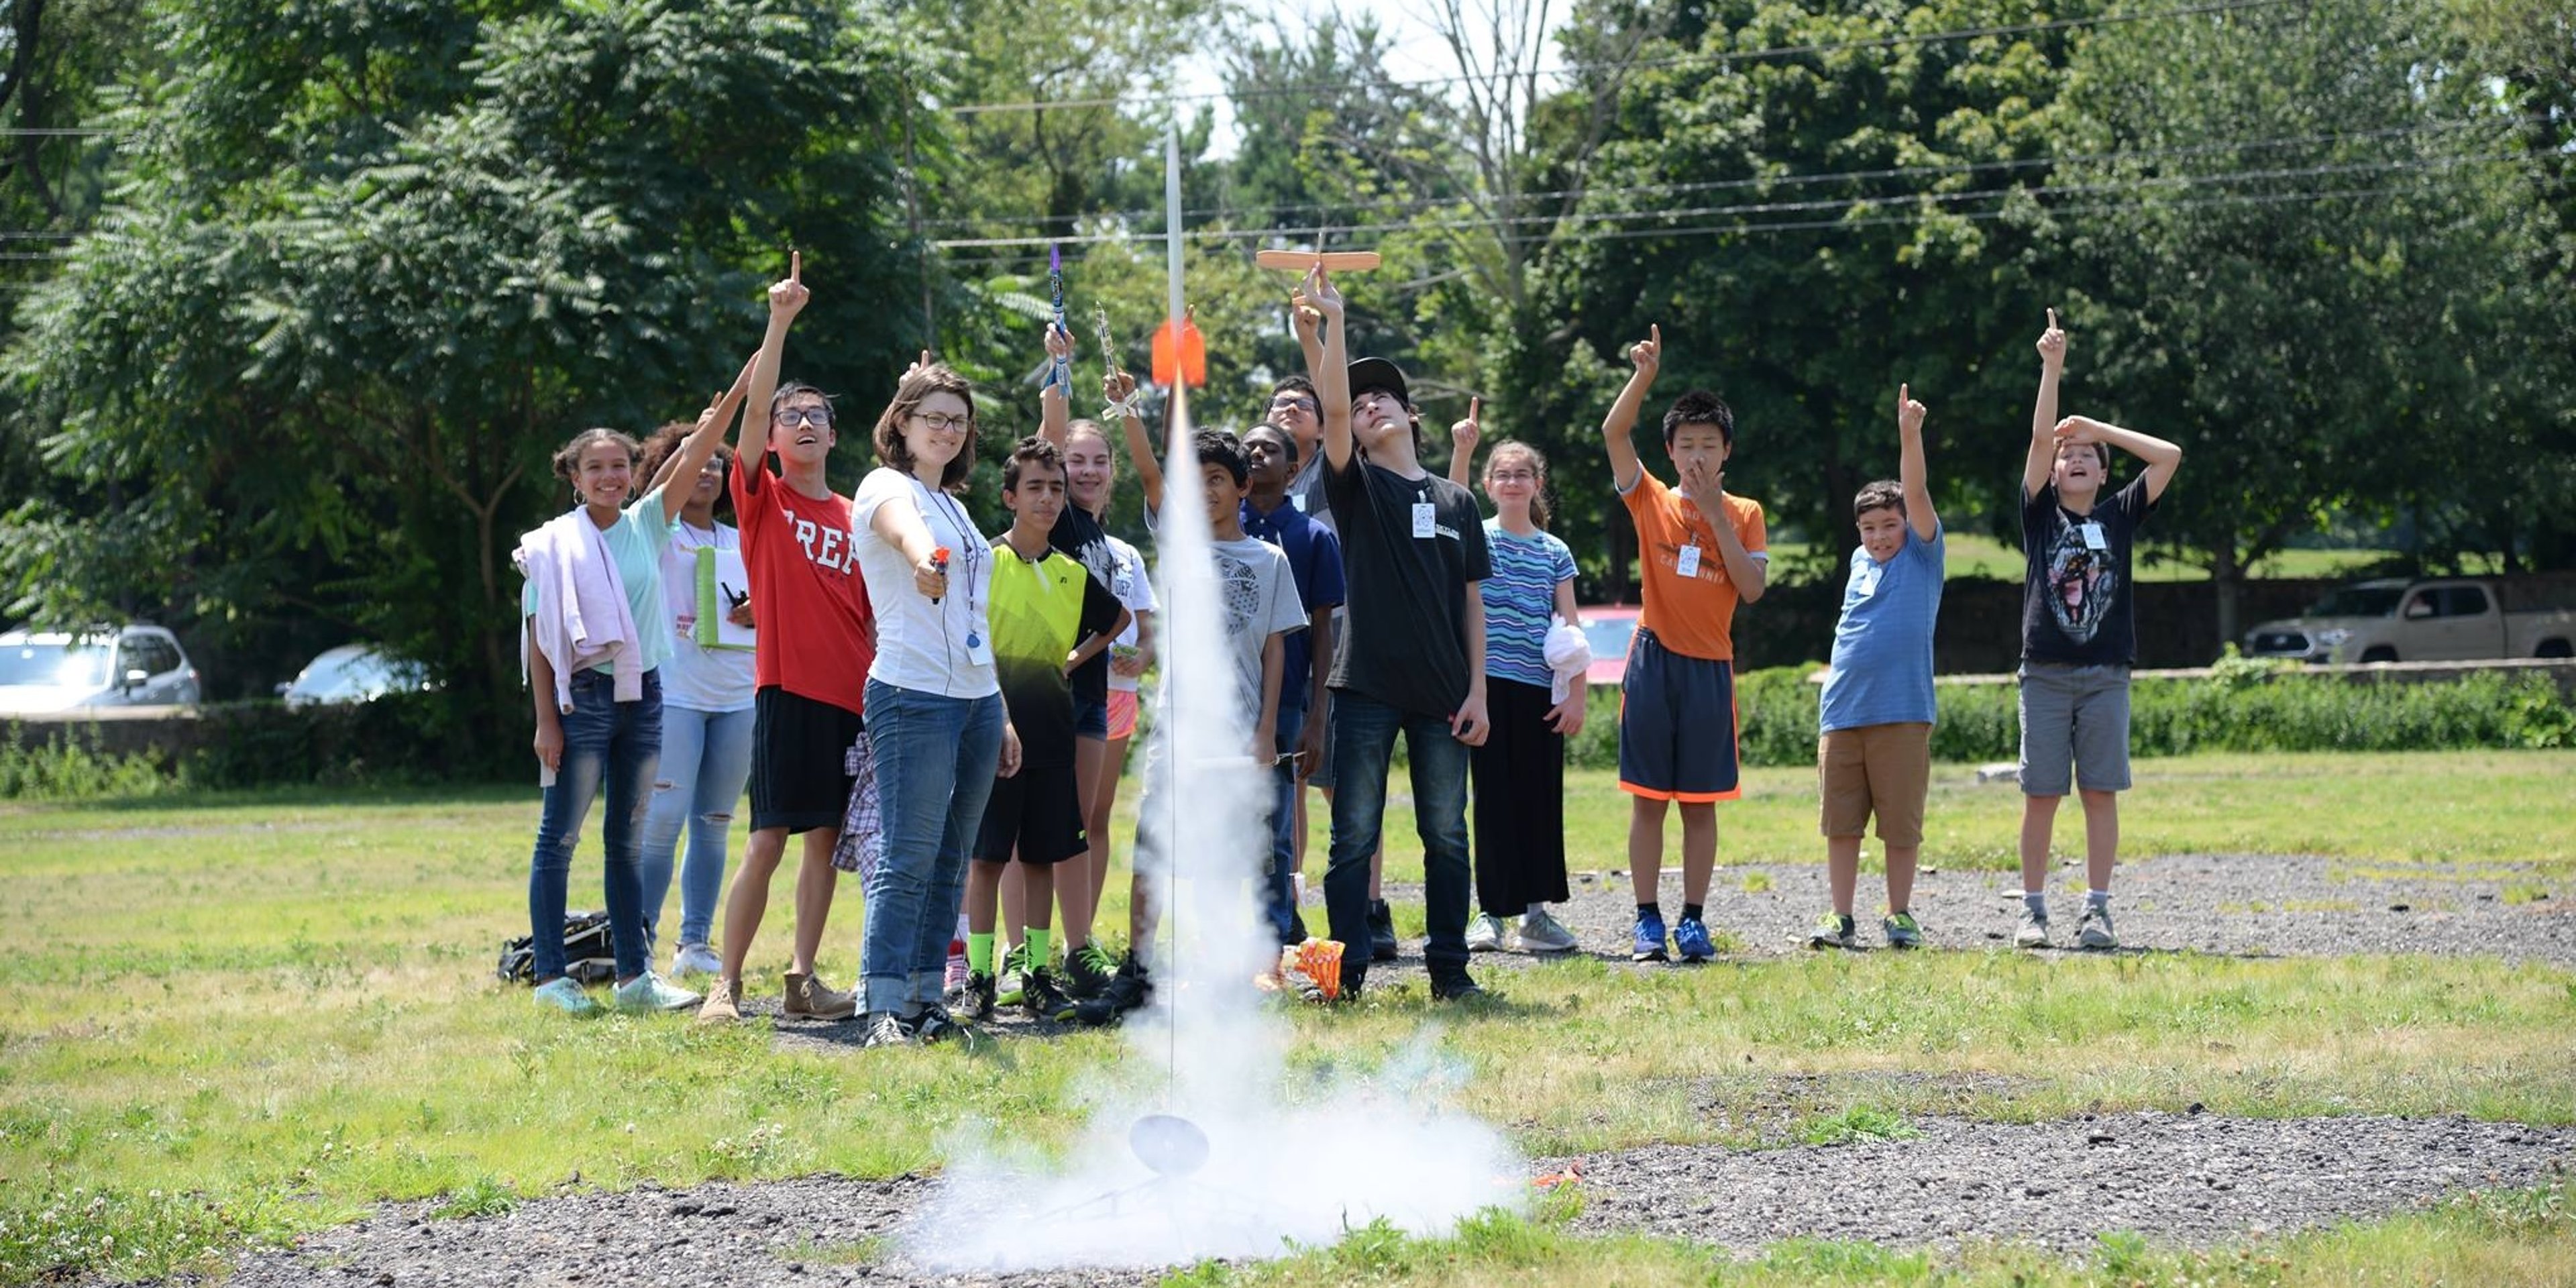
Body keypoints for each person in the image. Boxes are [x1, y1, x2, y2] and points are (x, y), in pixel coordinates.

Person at [516, 372, 745, 1017]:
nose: (610, 477)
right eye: (597, 468)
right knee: (558, 838)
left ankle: (634, 977)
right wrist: (546, 723)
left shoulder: (650, 523)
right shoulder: (552, 545)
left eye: (620, 465)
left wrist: (746, 378)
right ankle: (552, 981)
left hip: (643, 695)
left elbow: (706, 446)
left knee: (628, 839)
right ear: (575, 477)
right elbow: (538, 638)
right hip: (576, 700)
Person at [1301, 266, 1491, 1003]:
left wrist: (1478, 690)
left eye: (1386, 396)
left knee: (1446, 835)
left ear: (1413, 417)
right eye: (1362, 395)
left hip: (1446, 693)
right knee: (1354, 837)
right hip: (1368, 686)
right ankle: (1343, 976)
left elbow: (1471, 601)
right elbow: (1336, 416)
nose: (1370, 403)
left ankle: (1450, 970)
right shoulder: (1356, 486)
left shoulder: (1457, 500)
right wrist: (1330, 326)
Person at [698, 258, 876, 1026]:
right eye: (790, 416)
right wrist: (779, 321)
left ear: (835, 435)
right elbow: (752, 407)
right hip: (785, 691)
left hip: (853, 697)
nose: (804, 423)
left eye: (817, 416)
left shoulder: (858, 512)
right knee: (768, 838)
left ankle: (802, 980)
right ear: (769, 440)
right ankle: (724, 984)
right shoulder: (760, 497)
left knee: (826, 844)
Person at [1079, 428, 1305, 1024]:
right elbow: (1151, 475)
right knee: (1157, 850)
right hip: (1179, 736)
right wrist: (1130, 412)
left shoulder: (1271, 559)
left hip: (1239, 740)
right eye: (1194, 481)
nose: (1204, 492)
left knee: (1229, 854)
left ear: (1242, 487)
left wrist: (1265, 732)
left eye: (1217, 480)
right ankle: (1140, 970)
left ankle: (1223, 966)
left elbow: (1277, 651)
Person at [850, 356, 1018, 1047]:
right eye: (933, 419)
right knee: (909, 854)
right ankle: (883, 1004)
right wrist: (925, 560)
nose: (947, 432)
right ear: (903, 424)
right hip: (911, 693)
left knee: (953, 855)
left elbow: (974, 618)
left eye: (958, 421)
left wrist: (1000, 707)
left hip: (976, 699)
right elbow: (904, 532)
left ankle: (925, 999)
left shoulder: (955, 501)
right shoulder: (884, 485)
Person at [2013, 310, 2182, 951]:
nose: (2076, 460)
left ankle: (2097, 910)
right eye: (2068, 456)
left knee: (2101, 793)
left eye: (2088, 457)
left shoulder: (2118, 517)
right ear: (2053, 475)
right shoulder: (2037, 517)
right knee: (2041, 796)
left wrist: (2094, 427)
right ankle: (2032, 910)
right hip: (2047, 676)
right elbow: (2036, 442)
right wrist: (2052, 370)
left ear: (2105, 473)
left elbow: (2168, 456)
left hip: (2108, 675)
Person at [1599, 324, 1768, 965]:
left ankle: (1694, 921)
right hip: (1653, 662)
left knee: (1700, 807)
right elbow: (1616, 434)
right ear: (1670, 451)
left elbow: (1751, 588)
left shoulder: (1746, 511)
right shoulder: (1649, 500)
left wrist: (1715, 513)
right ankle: (1647, 921)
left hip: (1709, 672)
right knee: (1648, 802)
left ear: (1727, 452)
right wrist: (1643, 376)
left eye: (1709, 444)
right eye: (1686, 444)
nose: (1697, 455)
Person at [960, 437, 1128, 1023]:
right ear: (1009, 496)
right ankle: (980, 976)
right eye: (1035, 487)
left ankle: (1035, 974)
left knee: (1039, 860)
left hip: (1053, 735)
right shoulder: (985, 561)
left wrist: (1072, 661)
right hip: (994, 736)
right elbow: (967, 640)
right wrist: (998, 712)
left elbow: (1118, 620)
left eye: (1056, 489)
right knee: (987, 859)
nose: (1049, 498)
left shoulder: (1072, 573)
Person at [1810, 384, 1945, 951]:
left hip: (1903, 711)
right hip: (1843, 712)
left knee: (1899, 826)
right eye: (1869, 529)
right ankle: (1841, 917)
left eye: (1889, 525)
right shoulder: (1858, 563)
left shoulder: (1922, 552)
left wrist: (1909, 434)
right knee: (1842, 824)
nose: (1880, 536)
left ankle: (1899, 913)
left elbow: (1913, 490)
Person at [1446, 417, 1585, 955]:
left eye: (1522, 474)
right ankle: (1489, 915)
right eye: (1502, 474)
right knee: (1492, 802)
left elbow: (1570, 630)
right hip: (1484, 688)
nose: (1512, 483)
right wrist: (1463, 448)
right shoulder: (1476, 537)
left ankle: (1535, 914)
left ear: (1537, 484)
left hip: (1540, 690)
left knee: (1539, 799)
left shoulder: (1556, 551)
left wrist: (1575, 694)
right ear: (1488, 484)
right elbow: (1449, 504)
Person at [634, 420, 757, 979]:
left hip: (738, 698)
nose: (707, 470)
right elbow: (657, 493)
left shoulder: (741, 539)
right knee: (662, 821)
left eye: (715, 462)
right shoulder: (654, 532)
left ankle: (695, 945)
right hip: (676, 695)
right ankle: (638, 945)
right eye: (694, 461)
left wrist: (758, 609)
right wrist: (696, 441)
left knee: (715, 820)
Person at [1240, 421, 1342, 945]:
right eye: (1249, 447)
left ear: (1294, 466)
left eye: (1271, 448)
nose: (1258, 453)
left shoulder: (1314, 537)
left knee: (1274, 829)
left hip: (1285, 705)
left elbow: (1324, 632)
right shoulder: (1218, 530)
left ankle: (1273, 941)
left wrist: (1317, 717)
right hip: (1223, 701)